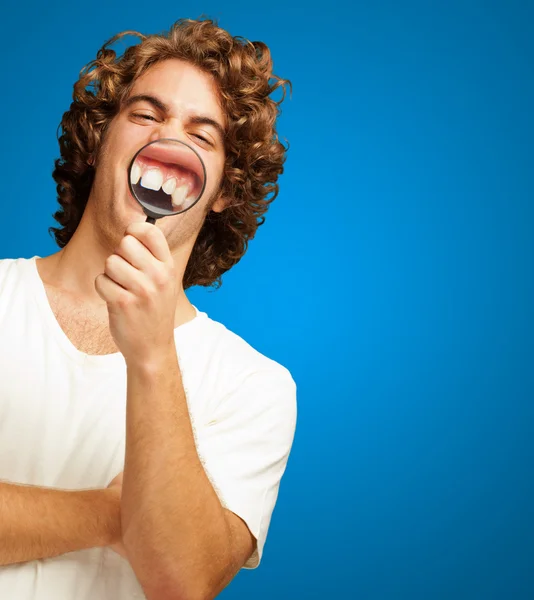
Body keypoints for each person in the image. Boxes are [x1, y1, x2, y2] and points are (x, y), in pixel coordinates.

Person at [0, 17, 296, 600]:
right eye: (146, 114)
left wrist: (154, 356)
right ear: (101, 138)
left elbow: (183, 581)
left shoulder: (253, 386)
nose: (172, 140)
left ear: (224, 191)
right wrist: (113, 517)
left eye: (203, 134)